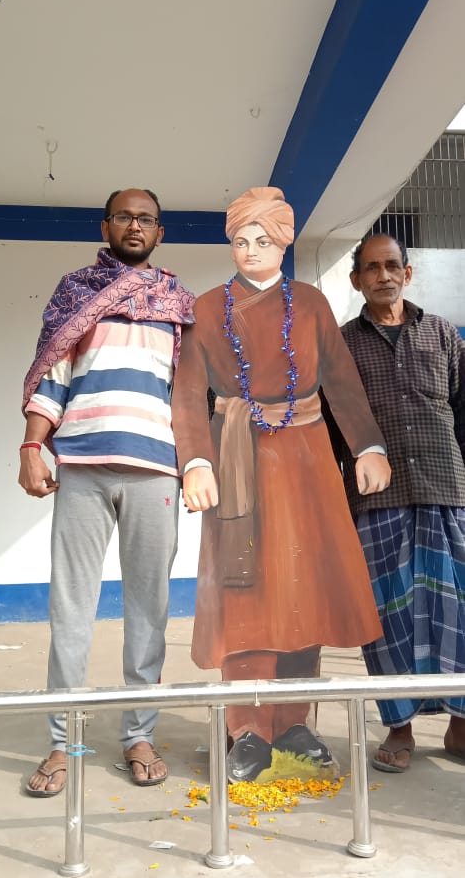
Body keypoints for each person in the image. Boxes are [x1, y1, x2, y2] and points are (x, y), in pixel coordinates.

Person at [170, 186, 391, 783]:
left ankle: (294, 722)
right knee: (246, 592)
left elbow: (341, 381)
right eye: (241, 240)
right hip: (237, 460)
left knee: (304, 589)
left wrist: (368, 447)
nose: (251, 250)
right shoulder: (206, 308)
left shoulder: (312, 304)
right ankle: (247, 729)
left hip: (307, 460)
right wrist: (196, 461)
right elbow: (187, 393)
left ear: (284, 244)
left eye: (263, 239)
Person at [19, 188, 195, 796]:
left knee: (149, 609)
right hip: (83, 464)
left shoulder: (179, 303)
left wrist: (200, 464)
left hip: (157, 470)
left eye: (146, 218)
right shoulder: (76, 293)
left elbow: (189, 394)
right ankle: (63, 742)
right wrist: (31, 446)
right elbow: (53, 377)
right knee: (71, 608)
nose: (135, 225)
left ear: (160, 232)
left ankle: (138, 735)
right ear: (105, 226)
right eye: (124, 216)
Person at [336, 232, 465, 773]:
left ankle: (460, 723)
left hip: (446, 489)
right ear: (356, 279)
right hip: (377, 498)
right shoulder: (341, 344)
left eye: (392, 266)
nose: (383, 276)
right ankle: (399, 726)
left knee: (457, 606)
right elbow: (334, 426)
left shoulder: (444, 334)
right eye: (372, 268)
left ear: (407, 273)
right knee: (388, 614)